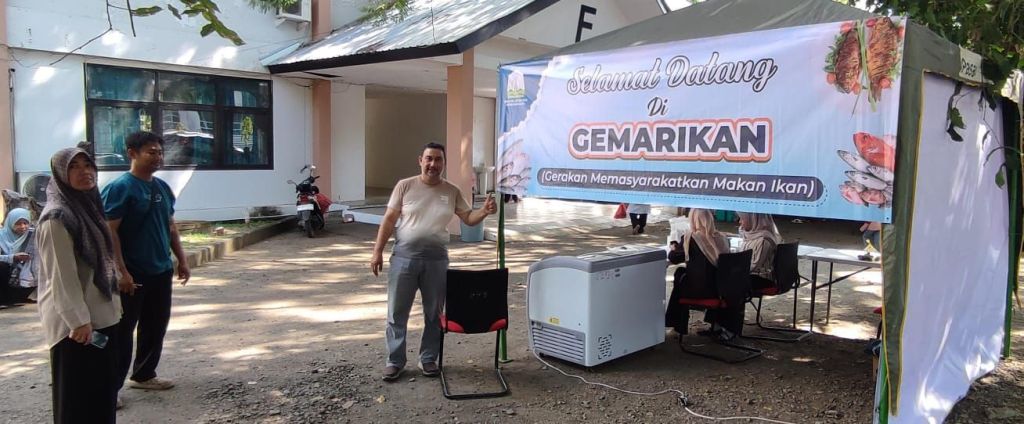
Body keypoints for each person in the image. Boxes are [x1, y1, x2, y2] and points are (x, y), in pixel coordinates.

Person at [369, 142, 498, 381]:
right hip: (404, 258)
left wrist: (484, 211)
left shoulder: (451, 191)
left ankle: (428, 358)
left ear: (444, 163)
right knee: (397, 312)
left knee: (434, 313)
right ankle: (395, 361)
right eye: (429, 159)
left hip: (436, 261)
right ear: (420, 160)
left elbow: (468, 218)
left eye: (438, 159)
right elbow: (389, 219)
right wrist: (377, 251)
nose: (433, 164)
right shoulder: (405, 186)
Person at [102, 131, 190, 397]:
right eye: (151, 152)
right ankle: (110, 390)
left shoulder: (162, 187)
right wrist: (121, 271)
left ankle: (144, 374)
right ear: (132, 153)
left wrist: (181, 259)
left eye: (160, 152)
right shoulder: (120, 188)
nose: (158, 157)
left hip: (160, 269)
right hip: (132, 272)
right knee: (122, 331)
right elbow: (110, 231)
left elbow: (171, 226)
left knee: (155, 325)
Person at [36, 147, 121, 423]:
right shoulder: (57, 218)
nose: (84, 171)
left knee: (101, 395)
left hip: (100, 318)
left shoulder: (89, 207)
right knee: (76, 401)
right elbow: (61, 276)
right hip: (76, 328)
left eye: (88, 164)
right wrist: (78, 320)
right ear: (61, 174)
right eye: (74, 166)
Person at [664, 209, 729, 335]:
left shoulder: (691, 238)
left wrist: (673, 246)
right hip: (720, 289)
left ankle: (677, 324)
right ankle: (715, 325)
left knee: (680, 275)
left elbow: (674, 257)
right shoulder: (722, 237)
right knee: (682, 274)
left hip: (700, 290)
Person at [737, 212, 783, 291]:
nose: (739, 222)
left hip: (761, 278)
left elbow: (754, 266)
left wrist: (735, 267)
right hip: (750, 275)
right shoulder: (751, 234)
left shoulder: (764, 240)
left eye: (742, 219)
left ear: (753, 220)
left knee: (726, 280)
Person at [0, 208, 36, 306]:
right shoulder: (1, 236)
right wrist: (12, 257)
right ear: (10, 223)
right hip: (6, 277)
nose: (23, 227)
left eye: (25, 223)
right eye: (18, 224)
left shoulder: (32, 236)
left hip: (23, 278)